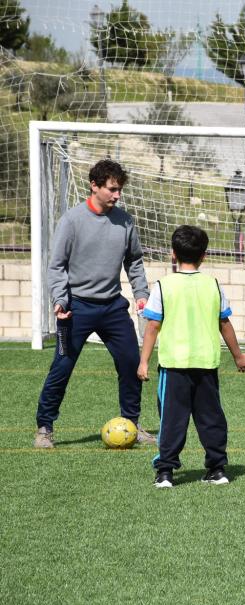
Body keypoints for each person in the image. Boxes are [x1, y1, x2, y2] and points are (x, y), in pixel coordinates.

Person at [35, 159, 155, 449]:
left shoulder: (125, 221)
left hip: (113, 307)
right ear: (95, 186)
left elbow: (134, 261)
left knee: (130, 364)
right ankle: (44, 427)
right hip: (76, 307)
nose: (117, 196)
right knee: (62, 367)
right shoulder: (72, 221)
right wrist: (60, 299)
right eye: (112, 189)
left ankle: (132, 423)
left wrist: (141, 293)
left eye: (119, 190)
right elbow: (57, 266)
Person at [138, 225, 245, 488]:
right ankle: (217, 468)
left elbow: (153, 327)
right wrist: (238, 357)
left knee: (171, 420)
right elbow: (225, 323)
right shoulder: (212, 284)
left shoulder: (162, 286)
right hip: (206, 364)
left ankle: (166, 472)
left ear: (172, 255)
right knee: (211, 418)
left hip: (173, 366)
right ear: (204, 256)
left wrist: (144, 361)